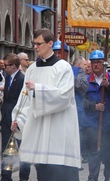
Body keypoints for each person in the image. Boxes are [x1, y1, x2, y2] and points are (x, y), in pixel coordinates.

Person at [11, 28, 81, 181]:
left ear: (50, 43)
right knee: (42, 171)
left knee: (61, 173)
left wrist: (38, 89)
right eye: (34, 44)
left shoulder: (63, 67)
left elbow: (64, 96)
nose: (35, 47)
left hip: (59, 128)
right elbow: (25, 98)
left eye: (38, 44)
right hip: (38, 130)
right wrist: (18, 119)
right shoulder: (32, 69)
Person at [82, 50, 110, 181]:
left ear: (103, 64)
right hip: (92, 124)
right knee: (93, 154)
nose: (96, 65)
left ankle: (108, 177)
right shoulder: (85, 81)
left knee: (108, 153)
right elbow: (82, 101)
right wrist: (94, 106)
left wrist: (108, 86)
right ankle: (93, 177)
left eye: (98, 62)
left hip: (108, 124)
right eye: (93, 62)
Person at [0, 53, 30, 181]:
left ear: (13, 66)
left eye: (5, 65)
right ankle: (6, 177)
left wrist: (18, 119)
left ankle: (23, 178)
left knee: (23, 150)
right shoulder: (7, 77)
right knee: (7, 150)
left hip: (19, 120)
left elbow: (24, 101)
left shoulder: (22, 79)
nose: (3, 68)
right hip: (7, 119)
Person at [71, 56, 89, 165]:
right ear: (79, 65)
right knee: (79, 133)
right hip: (77, 107)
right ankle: (79, 155)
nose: (86, 67)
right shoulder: (80, 73)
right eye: (84, 65)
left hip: (76, 106)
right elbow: (83, 87)